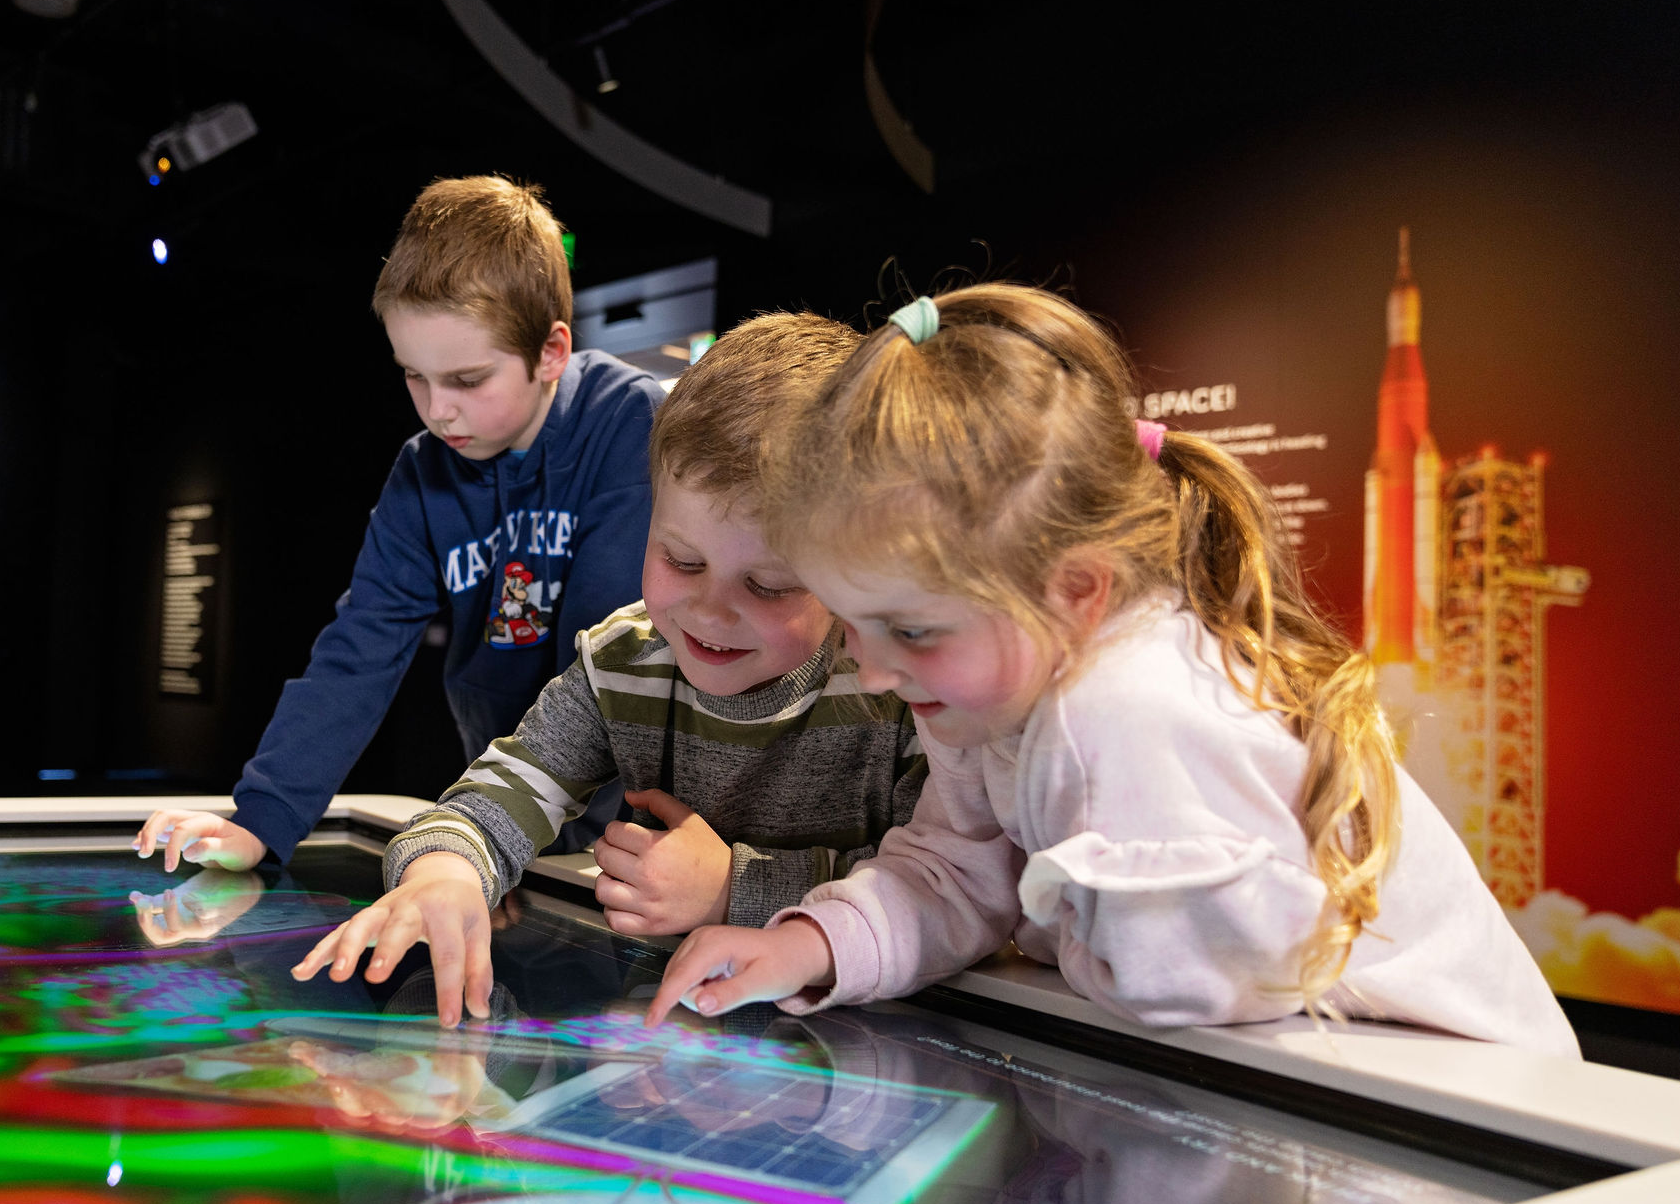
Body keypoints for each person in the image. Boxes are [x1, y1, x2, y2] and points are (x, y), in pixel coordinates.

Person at [647, 284, 1578, 1058]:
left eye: (913, 630)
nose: (879, 671)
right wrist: (812, 942)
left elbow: (1173, 986)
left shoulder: (1125, 710)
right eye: (854, 624)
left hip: (1459, 1105)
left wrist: (1038, 907)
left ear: (1078, 591)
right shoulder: (982, 680)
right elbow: (957, 867)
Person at [292, 312, 928, 1027]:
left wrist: (730, 888)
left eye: (769, 584)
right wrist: (447, 871)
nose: (710, 611)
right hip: (666, 1039)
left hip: (851, 1044)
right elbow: (505, 789)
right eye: (681, 560)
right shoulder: (623, 660)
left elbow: (944, 892)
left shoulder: (900, 687)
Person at [131, 177, 663, 874]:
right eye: (414, 375)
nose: (437, 411)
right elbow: (361, 646)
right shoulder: (424, 471)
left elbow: (609, 658)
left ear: (551, 352)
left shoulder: (630, 424)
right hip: (506, 801)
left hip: (633, 814)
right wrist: (261, 817)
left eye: (468, 380)